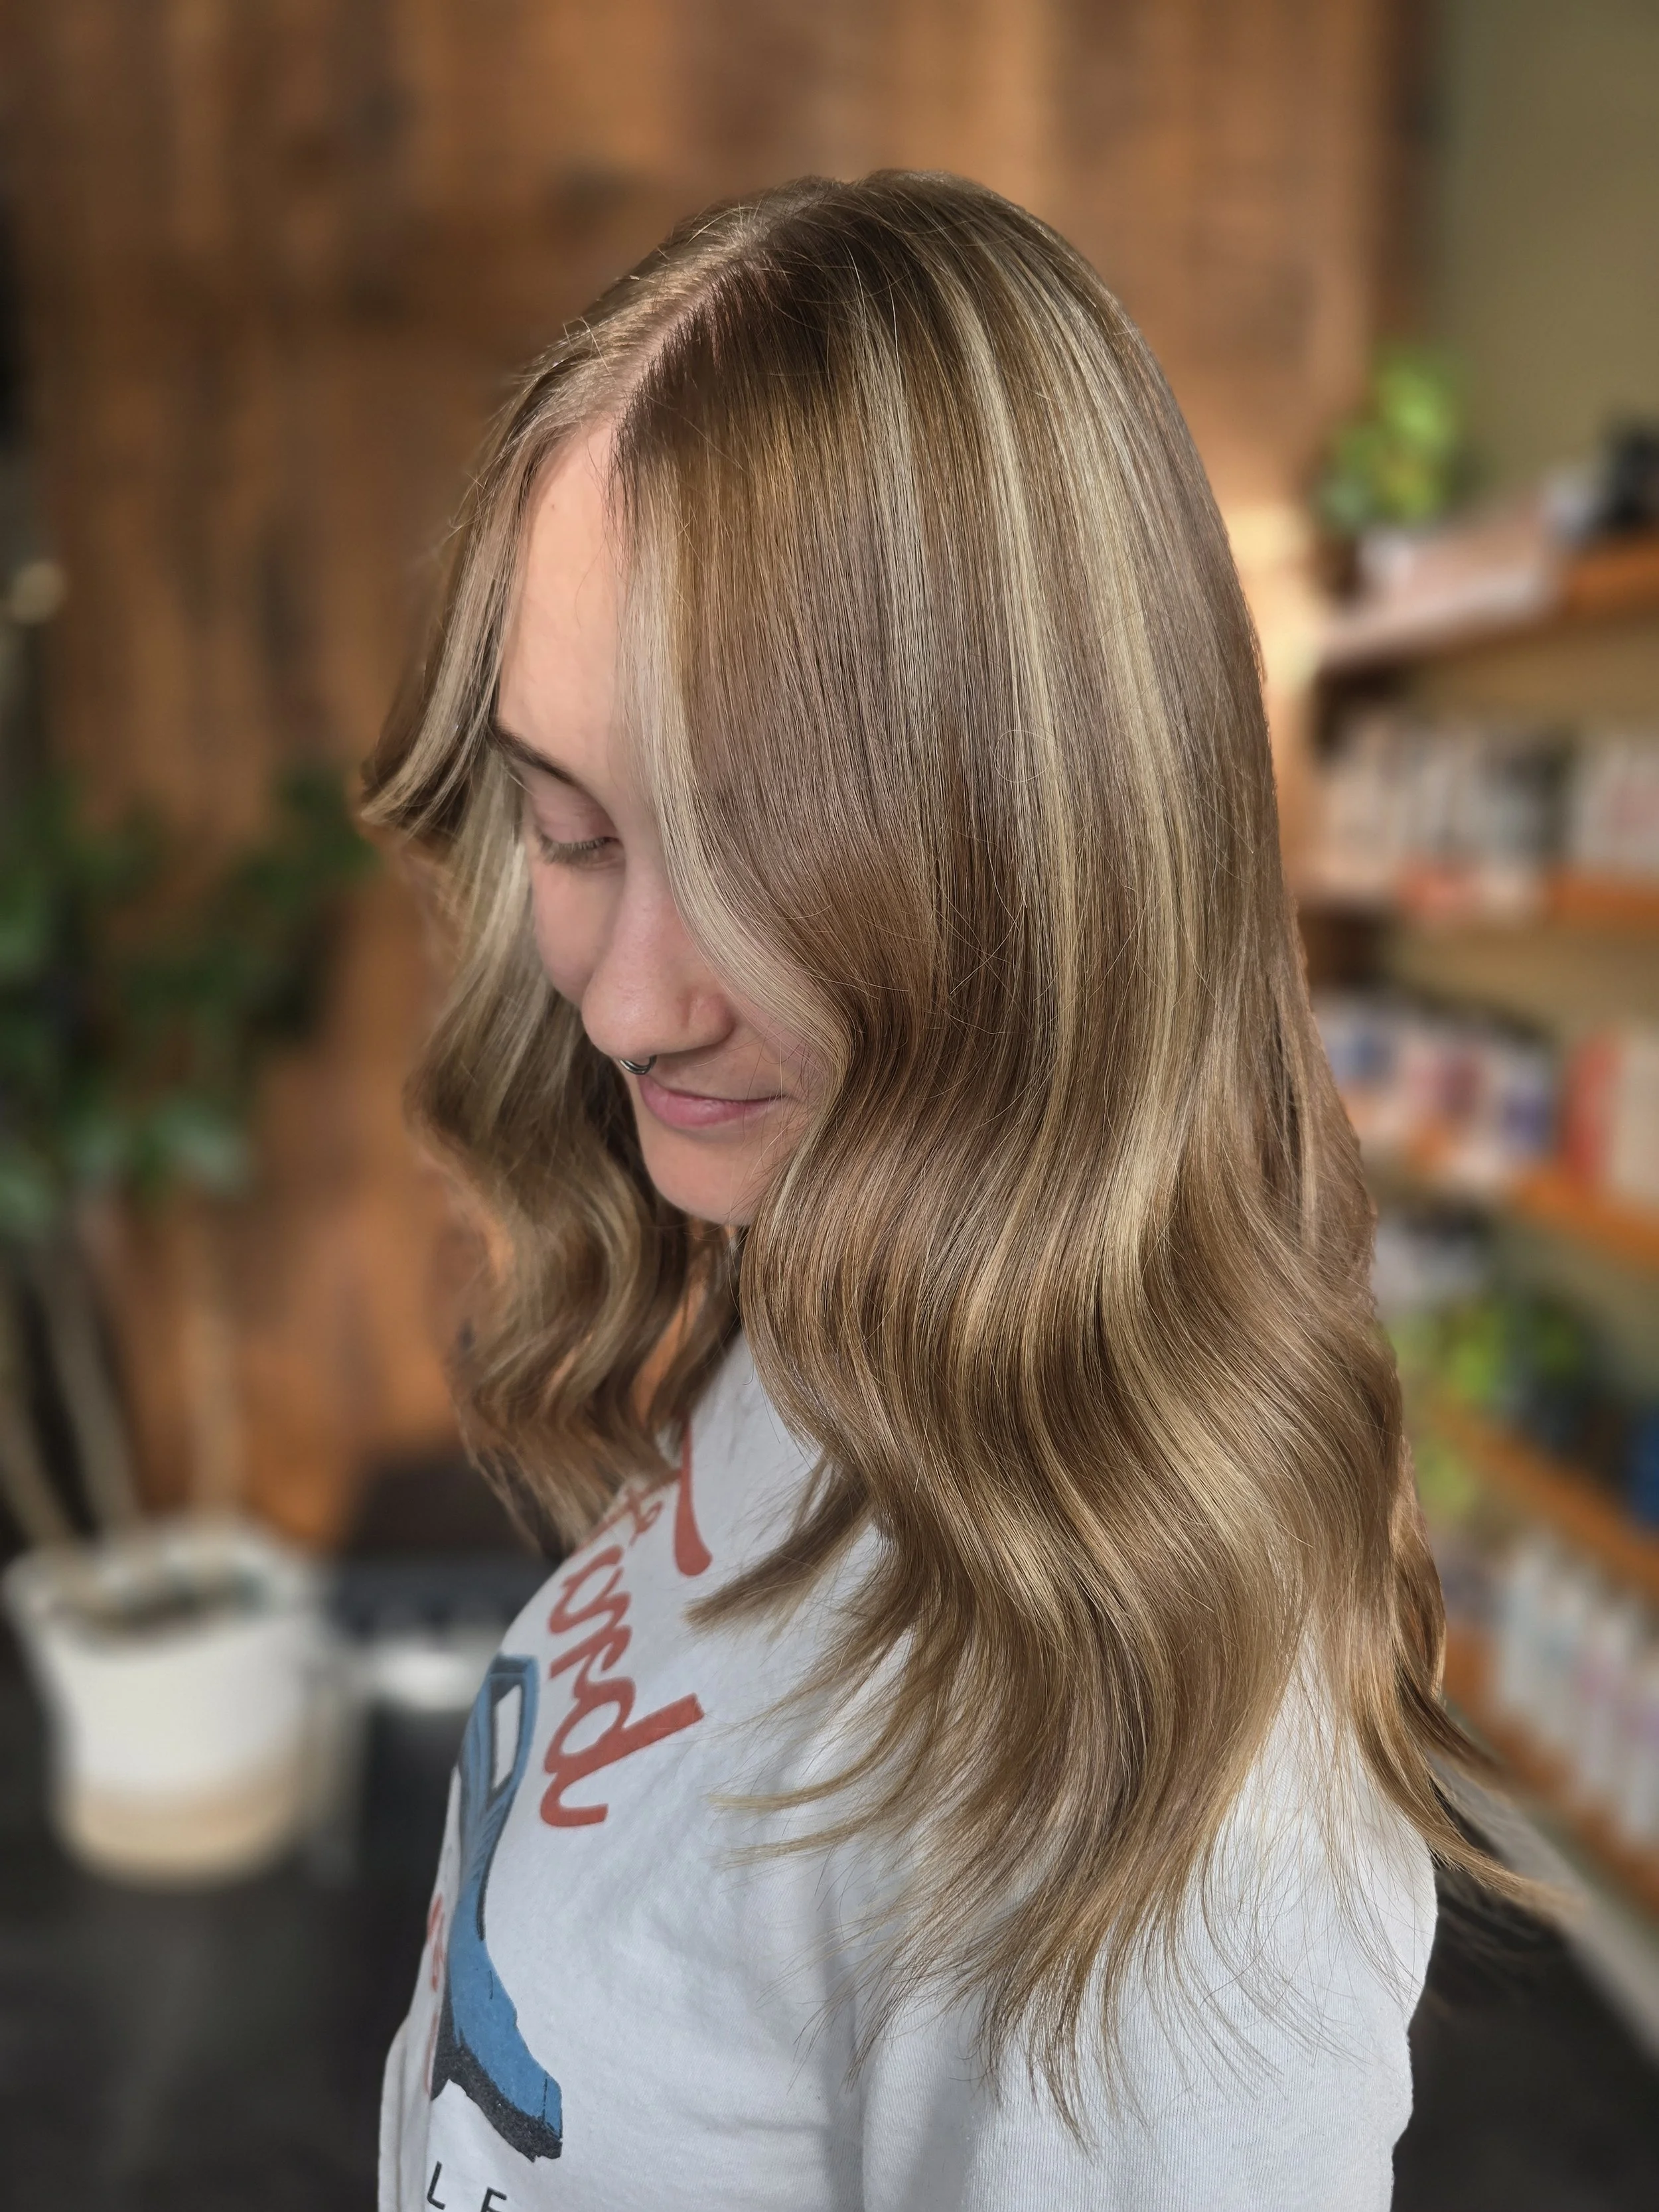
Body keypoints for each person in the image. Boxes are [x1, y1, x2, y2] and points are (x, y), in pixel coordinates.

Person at [364, 171, 1500, 2211]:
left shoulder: (1162, 1802)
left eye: (757, 863)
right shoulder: (817, 1302)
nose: (622, 1004)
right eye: (571, 827)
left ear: (1045, 856)